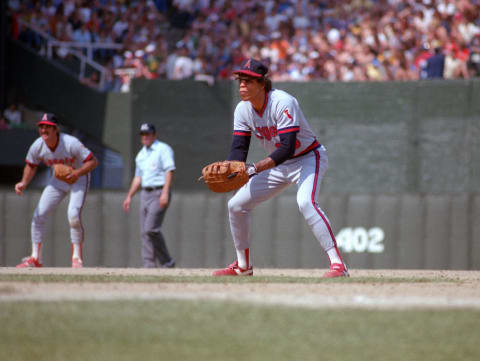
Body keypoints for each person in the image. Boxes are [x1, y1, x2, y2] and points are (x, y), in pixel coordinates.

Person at [213, 58, 348, 278]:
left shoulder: (283, 102)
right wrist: (230, 167)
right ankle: (243, 266)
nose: (242, 86)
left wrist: (253, 169)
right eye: (240, 81)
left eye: (248, 81)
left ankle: (338, 265)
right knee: (236, 205)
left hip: (307, 157)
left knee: (306, 202)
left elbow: (286, 148)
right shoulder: (242, 110)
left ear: (262, 83)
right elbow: (239, 148)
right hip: (278, 165)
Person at [15, 113, 98, 268]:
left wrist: (77, 173)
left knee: (73, 215)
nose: (44, 129)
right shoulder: (38, 145)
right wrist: (23, 182)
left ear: (56, 129)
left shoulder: (70, 143)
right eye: (41, 126)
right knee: (38, 214)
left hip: (79, 177)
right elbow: (31, 165)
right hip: (59, 180)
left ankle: (76, 258)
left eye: (48, 126)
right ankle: (35, 258)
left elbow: (93, 161)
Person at [122, 123, 176, 268]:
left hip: (159, 192)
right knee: (144, 232)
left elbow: (169, 170)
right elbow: (138, 178)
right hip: (145, 193)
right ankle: (149, 265)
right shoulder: (141, 154)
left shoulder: (163, 149)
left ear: (154, 135)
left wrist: (165, 192)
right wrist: (129, 196)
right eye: (143, 134)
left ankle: (167, 261)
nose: (145, 137)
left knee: (151, 229)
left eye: (148, 134)